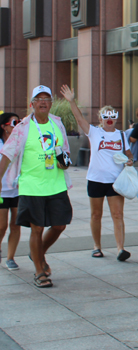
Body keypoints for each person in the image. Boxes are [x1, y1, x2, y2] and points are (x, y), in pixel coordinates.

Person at [0, 85, 73, 288]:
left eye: (46, 99)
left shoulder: (57, 124)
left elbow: (64, 151)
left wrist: (64, 162)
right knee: (37, 228)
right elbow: (7, 154)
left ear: (51, 103)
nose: (43, 102)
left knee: (59, 225)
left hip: (56, 183)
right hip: (31, 185)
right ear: (32, 104)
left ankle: (37, 253)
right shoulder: (22, 127)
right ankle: (40, 271)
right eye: (38, 99)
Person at [61, 84, 134, 261]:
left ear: (116, 118)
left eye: (112, 117)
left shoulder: (122, 135)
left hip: (115, 182)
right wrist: (72, 101)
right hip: (95, 179)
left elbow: (129, 154)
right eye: (105, 117)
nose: (109, 120)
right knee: (96, 214)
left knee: (118, 214)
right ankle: (97, 246)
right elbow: (79, 119)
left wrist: (130, 161)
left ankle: (120, 248)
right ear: (100, 118)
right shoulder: (94, 132)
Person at [0, 113, 22, 271]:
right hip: (1, 191)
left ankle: (10, 257)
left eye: (19, 122)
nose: (17, 125)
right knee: (1, 225)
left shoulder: (20, 143)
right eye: (14, 122)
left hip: (18, 190)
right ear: (4, 126)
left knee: (16, 224)